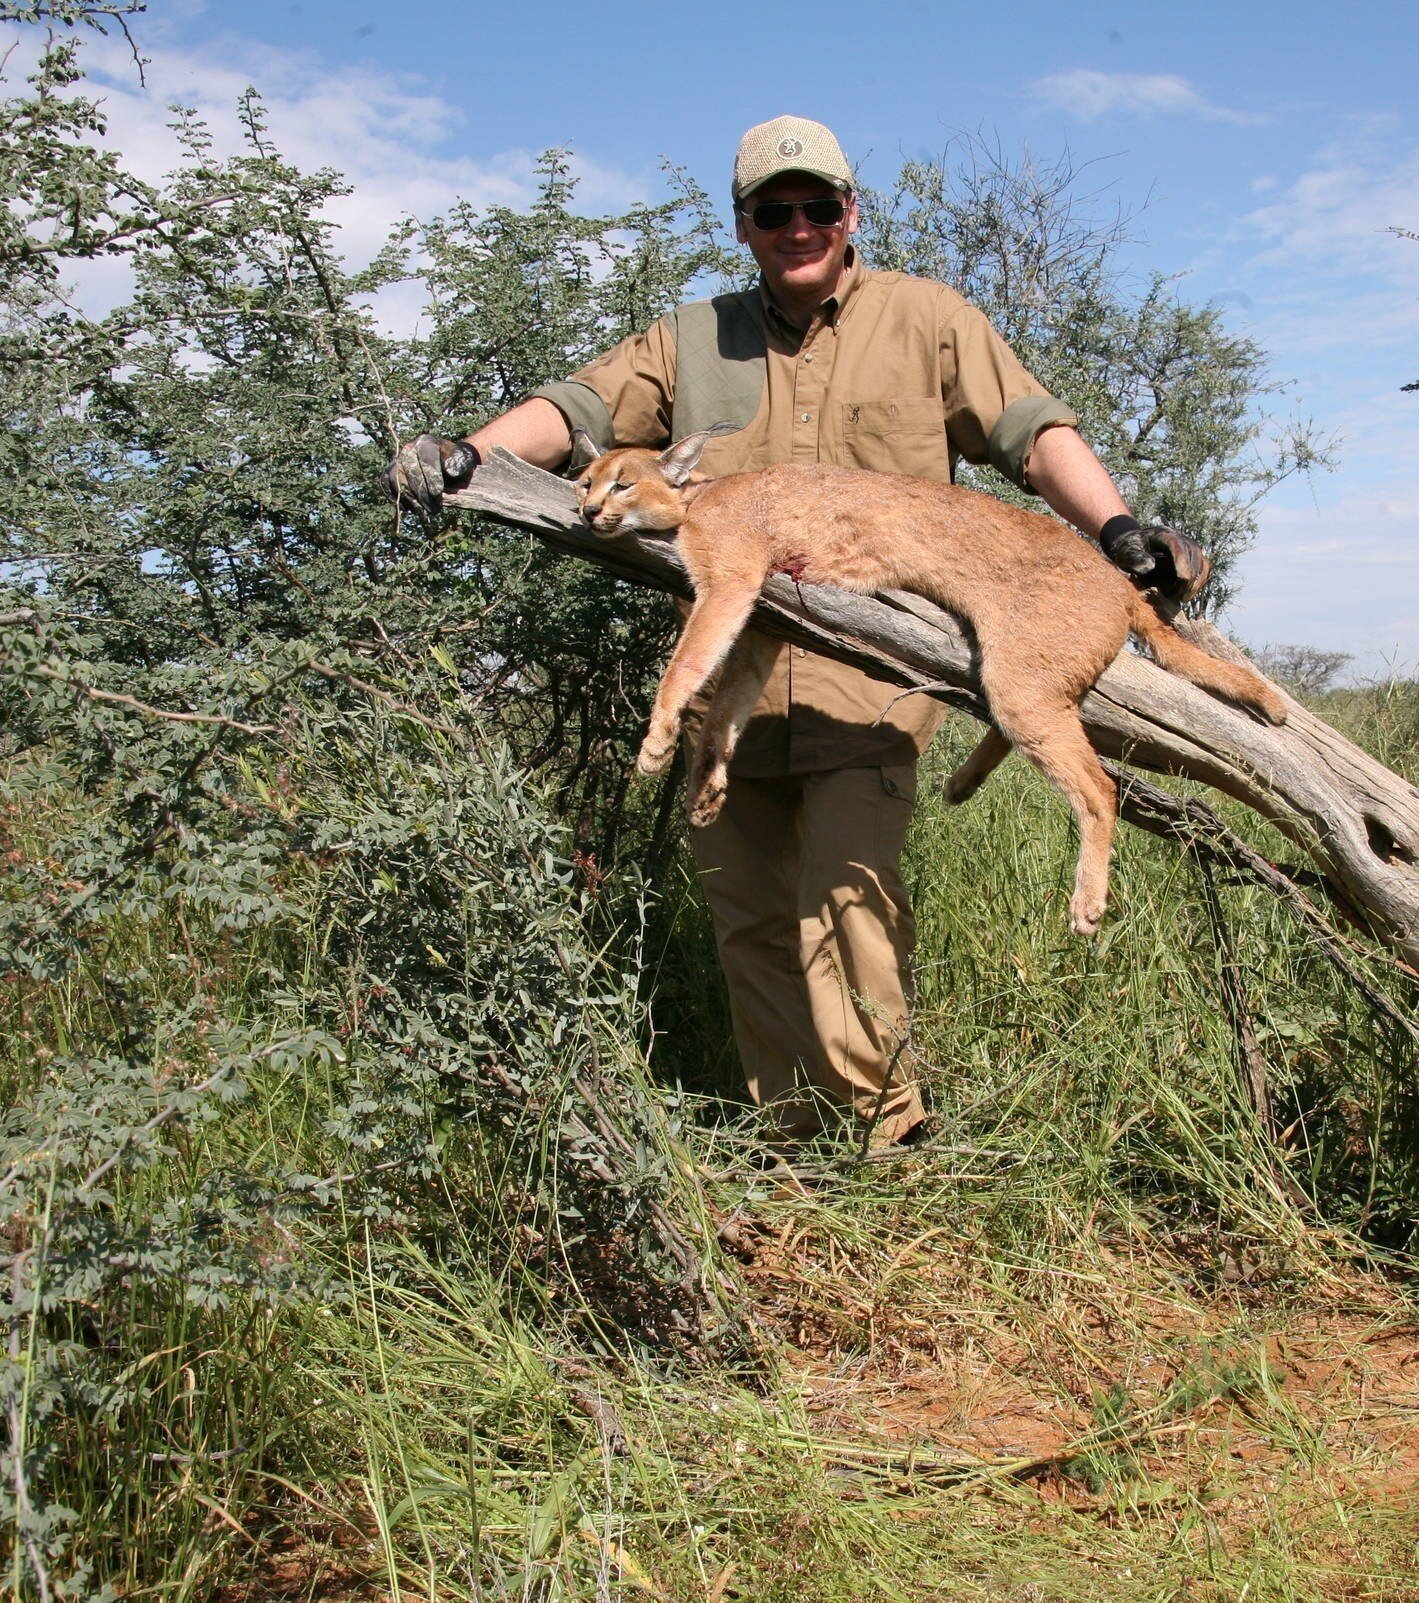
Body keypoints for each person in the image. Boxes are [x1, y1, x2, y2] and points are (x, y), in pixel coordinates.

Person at [388, 116, 1202, 1150]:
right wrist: (465, 455)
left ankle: (891, 1142)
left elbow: (1029, 435)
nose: (799, 225)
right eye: (775, 211)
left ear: (852, 212)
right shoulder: (692, 337)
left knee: (846, 905)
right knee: (749, 921)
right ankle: (787, 1148)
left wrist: (1120, 529)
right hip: (730, 689)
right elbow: (577, 404)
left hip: (870, 689)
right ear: (744, 225)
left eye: (819, 205)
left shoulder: (926, 317)